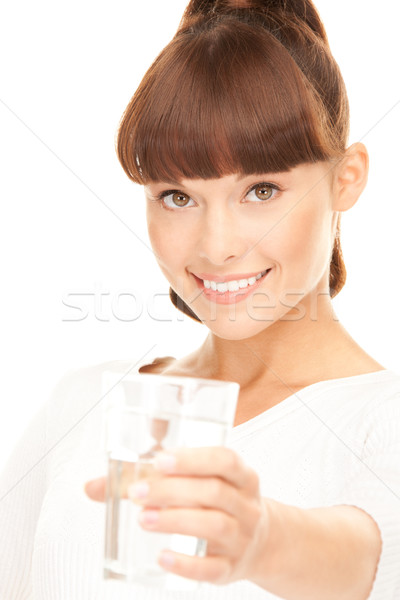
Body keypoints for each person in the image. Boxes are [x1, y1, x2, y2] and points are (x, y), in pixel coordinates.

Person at [1, 1, 399, 599]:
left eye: (261, 190)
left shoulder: (382, 421)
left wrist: (265, 541)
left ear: (346, 178)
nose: (216, 248)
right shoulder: (84, 404)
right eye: (177, 197)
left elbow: (369, 555)